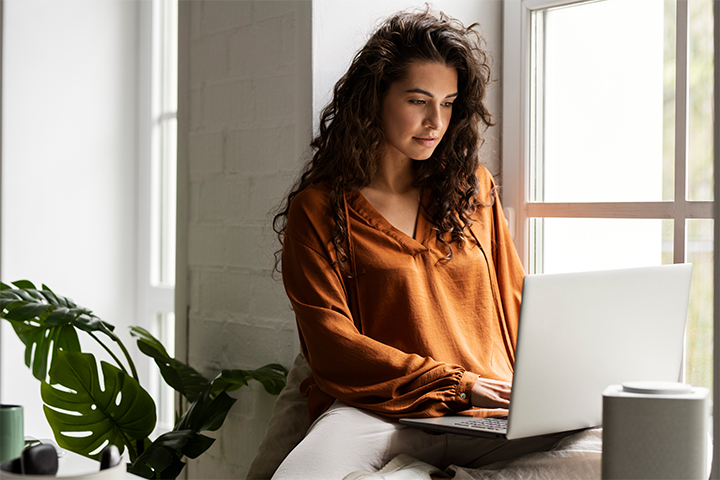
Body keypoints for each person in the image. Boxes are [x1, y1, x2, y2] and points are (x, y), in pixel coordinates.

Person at [270, 8, 564, 479]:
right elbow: (332, 347)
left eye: (448, 103)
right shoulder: (320, 210)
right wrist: (458, 384)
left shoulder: (473, 189)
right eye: (418, 100)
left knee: (614, 449)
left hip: (488, 411)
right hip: (380, 411)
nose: (435, 121)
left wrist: (545, 386)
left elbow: (515, 299)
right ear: (375, 99)